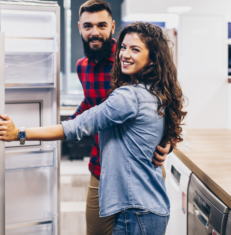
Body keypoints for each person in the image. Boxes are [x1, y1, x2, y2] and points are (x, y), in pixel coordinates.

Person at [0, 21, 187, 235]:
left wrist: (19, 133)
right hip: (151, 207)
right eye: (123, 47)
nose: (125, 54)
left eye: (135, 49)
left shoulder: (129, 97)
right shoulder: (158, 91)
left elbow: (77, 127)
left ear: (152, 58)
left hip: (135, 211)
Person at [72, 1, 170, 234]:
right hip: (101, 166)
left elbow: (164, 103)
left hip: (140, 170)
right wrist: (66, 125)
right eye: (88, 26)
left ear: (112, 26)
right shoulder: (82, 67)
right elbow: (90, 104)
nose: (94, 32)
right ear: (79, 28)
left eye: (101, 25)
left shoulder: (131, 61)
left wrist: (169, 142)